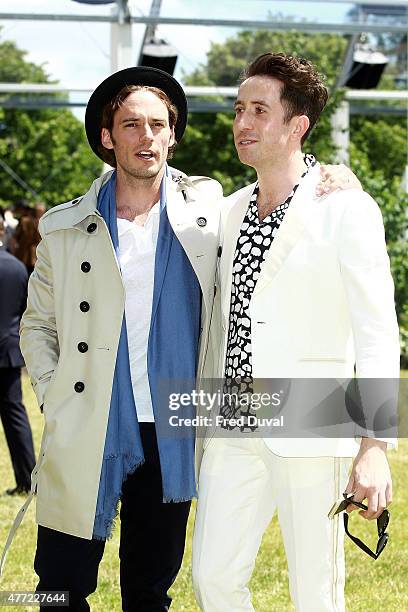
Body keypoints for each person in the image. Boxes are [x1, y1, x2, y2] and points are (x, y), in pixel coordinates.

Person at [0, 66, 359, 609]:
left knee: (150, 589)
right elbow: (37, 325)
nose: (147, 137)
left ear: (172, 134)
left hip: (173, 425)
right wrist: (55, 392)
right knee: (57, 585)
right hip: (87, 419)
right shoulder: (63, 227)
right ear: (107, 137)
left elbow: (281, 188)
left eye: (158, 125)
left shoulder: (210, 208)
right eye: (131, 125)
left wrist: (331, 175)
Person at [192, 53, 400, 611]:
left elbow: (378, 331)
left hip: (314, 417)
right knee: (212, 578)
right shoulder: (229, 210)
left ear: (297, 126)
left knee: (316, 592)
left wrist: (375, 445)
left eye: (260, 110)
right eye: (239, 109)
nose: (243, 123)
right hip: (231, 416)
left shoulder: (346, 209)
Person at [0, 218, 36, 496]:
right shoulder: (16, 267)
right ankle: (27, 479)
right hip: (8, 351)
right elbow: (27, 311)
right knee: (16, 418)